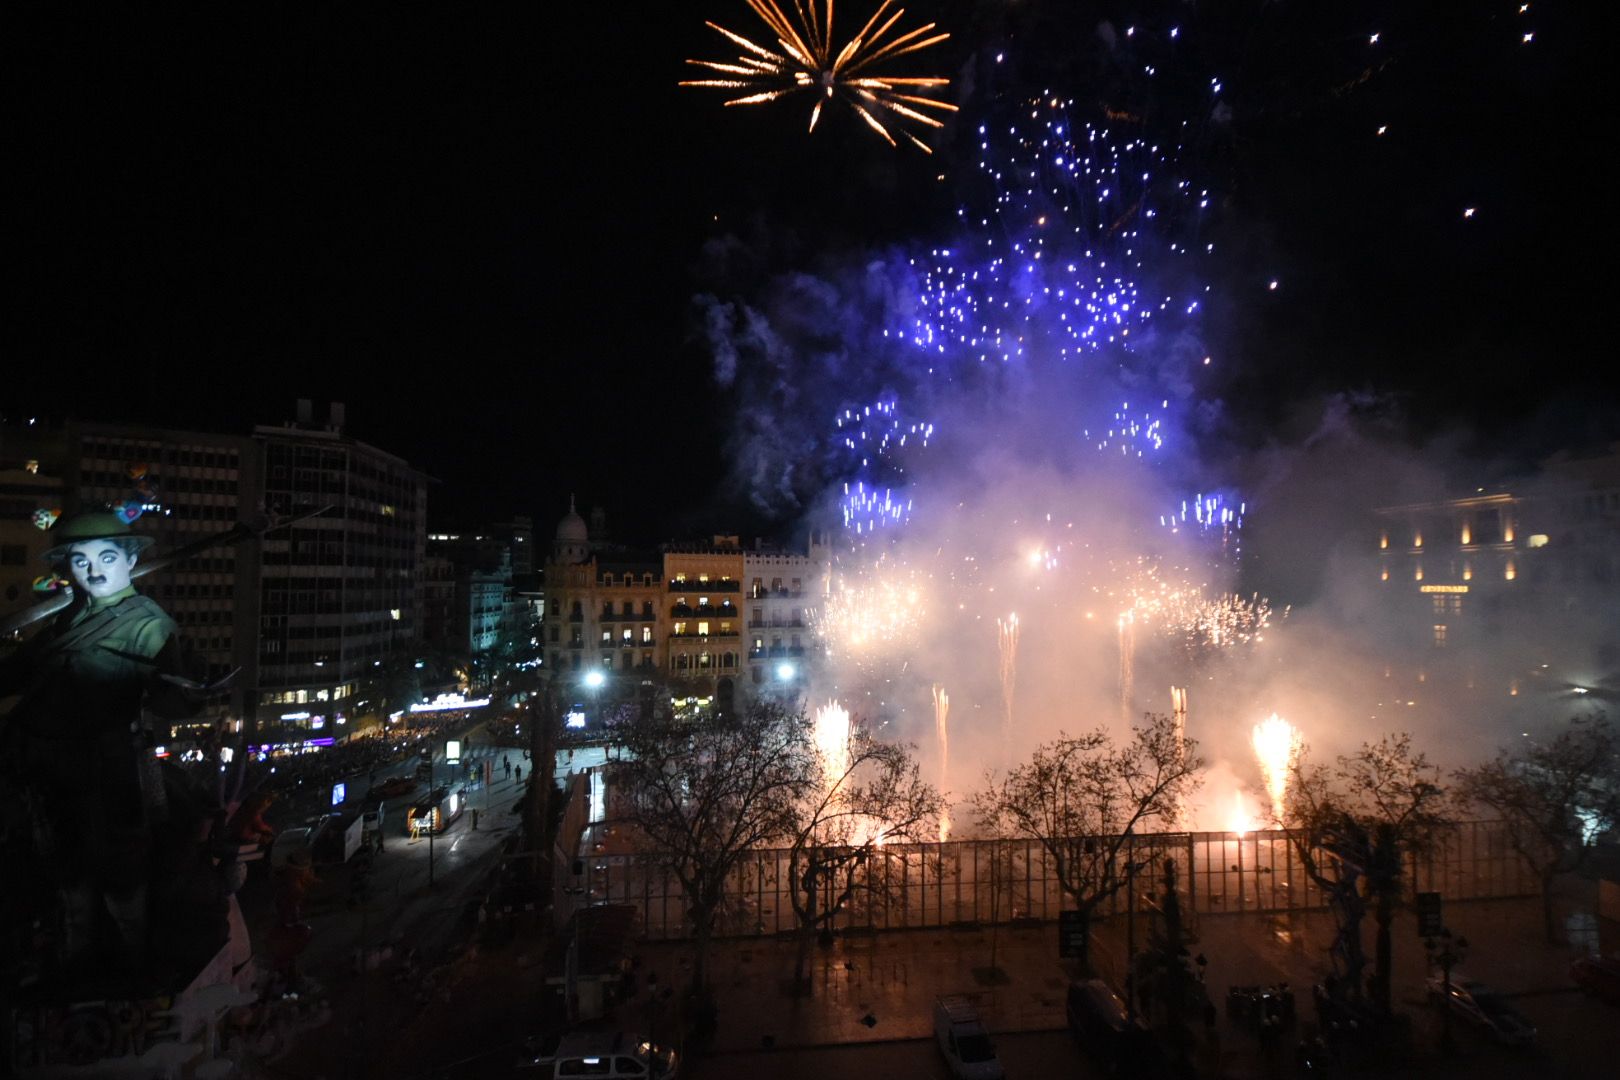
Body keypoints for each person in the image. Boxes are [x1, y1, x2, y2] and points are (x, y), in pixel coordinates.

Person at [0, 511, 210, 974]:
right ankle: (78, 953)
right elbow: (18, 673)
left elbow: (174, 697)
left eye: (107, 558)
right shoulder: (66, 616)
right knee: (65, 867)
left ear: (130, 560)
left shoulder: (149, 624)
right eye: (81, 561)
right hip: (47, 762)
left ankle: (133, 957)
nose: (94, 571)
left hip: (107, 762)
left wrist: (184, 687)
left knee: (121, 869)